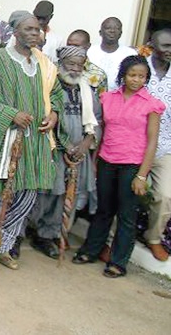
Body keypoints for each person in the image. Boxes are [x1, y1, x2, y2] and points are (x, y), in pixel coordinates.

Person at [0, 10, 63, 270]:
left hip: (35, 142)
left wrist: (54, 113)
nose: (35, 33)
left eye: (37, 29)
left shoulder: (44, 64)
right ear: (14, 31)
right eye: (29, 29)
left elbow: (56, 94)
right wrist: (11, 114)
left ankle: (3, 246)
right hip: (4, 139)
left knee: (25, 196)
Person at [74, 56, 164, 278]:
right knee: (103, 210)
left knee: (126, 214)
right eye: (132, 75)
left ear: (146, 78)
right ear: (123, 75)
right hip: (107, 160)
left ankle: (118, 262)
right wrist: (95, 163)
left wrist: (142, 175)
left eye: (142, 76)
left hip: (132, 165)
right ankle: (91, 250)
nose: (136, 80)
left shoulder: (151, 104)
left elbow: (152, 141)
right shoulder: (108, 98)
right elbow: (101, 130)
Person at [28, 46, 101, 259]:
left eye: (80, 65)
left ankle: (51, 235)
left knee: (66, 197)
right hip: (54, 149)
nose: (75, 69)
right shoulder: (50, 87)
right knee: (47, 195)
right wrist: (66, 145)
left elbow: (96, 120)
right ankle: (33, 232)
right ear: (61, 64)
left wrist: (86, 144)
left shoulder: (87, 91)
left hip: (78, 154)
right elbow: (45, 116)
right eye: (71, 64)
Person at [145, 29, 171, 262]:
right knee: (124, 193)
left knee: (165, 195)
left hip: (164, 146)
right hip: (133, 144)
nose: (170, 50)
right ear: (152, 45)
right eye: (165, 46)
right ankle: (110, 240)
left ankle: (154, 238)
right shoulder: (138, 69)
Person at [86, 17, 137, 91]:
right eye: (108, 28)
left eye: (117, 28)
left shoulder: (130, 54)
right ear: (100, 32)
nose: (112, 31)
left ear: (121, 33)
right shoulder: (89, 51)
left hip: (118, 98)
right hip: (90, 96)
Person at [67, 29, 109, 95]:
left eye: (76, 46)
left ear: (88, 46)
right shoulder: (55, 68)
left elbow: (102, 101)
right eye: (69, 45)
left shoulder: (98, 74)